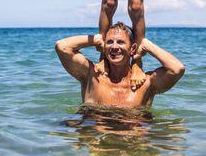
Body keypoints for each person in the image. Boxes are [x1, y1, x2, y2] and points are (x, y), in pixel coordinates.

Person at [55, 22, 185, 107]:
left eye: (120, 42)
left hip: (132, 143)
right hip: (99, 142)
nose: (114, 47)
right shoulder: (92, 76)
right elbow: (62, 47)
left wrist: (146, 45)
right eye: (110, 42)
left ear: (132, 49)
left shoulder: (145, 83)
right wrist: (96, 40)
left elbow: (177, 69)